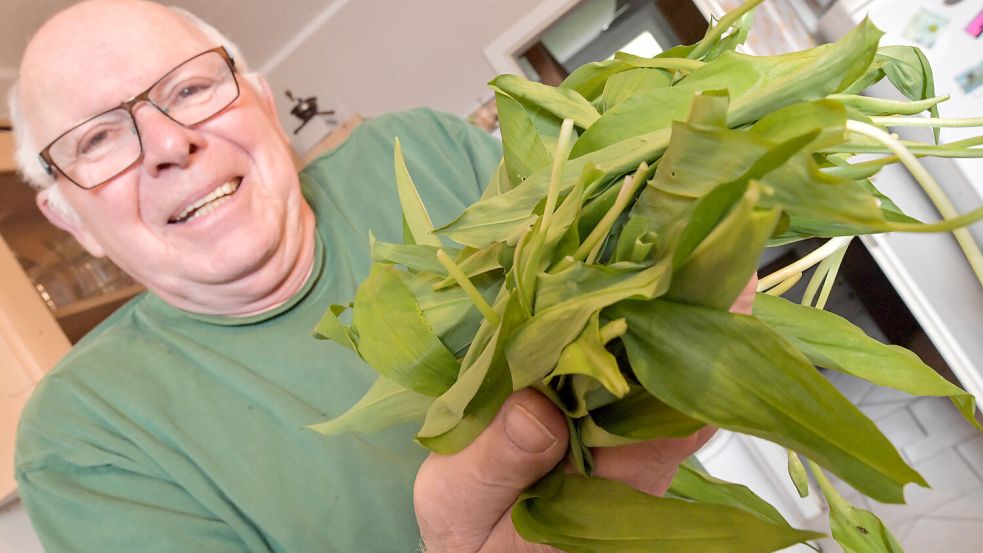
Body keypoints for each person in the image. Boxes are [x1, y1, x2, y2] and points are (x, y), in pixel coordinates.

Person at [9, 1, 755, 551]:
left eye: (190, 89)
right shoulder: (84, 435)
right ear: (69, 217)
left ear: (263, 100)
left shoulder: (419, 149)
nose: (169, 143)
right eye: (100, 138)